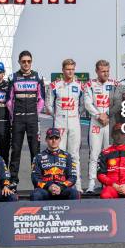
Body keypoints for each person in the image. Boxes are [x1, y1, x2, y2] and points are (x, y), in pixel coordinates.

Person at [7, 51, 45, 186]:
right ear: (19, 62)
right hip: (18, 119)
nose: (26, 64)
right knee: (15, 150)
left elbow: (41, 99)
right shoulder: (13, 78)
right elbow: (9, 101)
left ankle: (37, 180)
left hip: (33, 120)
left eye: (29, 61)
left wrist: (35, 113)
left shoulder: (37, 77)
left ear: (31, 62)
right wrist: (14, 114)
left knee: (35, 151)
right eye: (23, 61)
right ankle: (13, 180)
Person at [47, 58, 84, 190]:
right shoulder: (54, 85)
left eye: (73, 69)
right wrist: (57, 116)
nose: (70, 72)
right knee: (59, 153)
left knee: (74, 155)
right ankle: (59, 184)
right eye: (68, 69)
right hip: (60, 122)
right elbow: (49, 105)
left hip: (74, 121)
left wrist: (76, 114)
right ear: (63, 70)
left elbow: (83, 105)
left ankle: (77, 185)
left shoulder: (79, 85)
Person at [84, 59, 117, 193]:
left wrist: (107, 114)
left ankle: (108, 184)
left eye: (107, 71)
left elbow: (118, 102)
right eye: (103, 71)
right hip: (96, 123)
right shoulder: (90, 84)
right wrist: (99, 115)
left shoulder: (115, 83)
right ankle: (91, 184)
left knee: (109, 154)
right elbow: (87, 103)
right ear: (97, 71)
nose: (106, 74)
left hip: (110, 122)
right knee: (94, 154)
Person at [30, 128, 80, 201]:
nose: (54, 140)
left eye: (56, 138)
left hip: (62, 189)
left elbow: (73, 177)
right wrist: (48, 186)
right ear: (46, 139)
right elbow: (35, 178)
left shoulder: (67, 156)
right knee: (35, 195)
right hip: (45, 189)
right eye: (51, 138)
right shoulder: (38, 157)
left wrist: (60, 187)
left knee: (74, 193)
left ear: (60, 139)